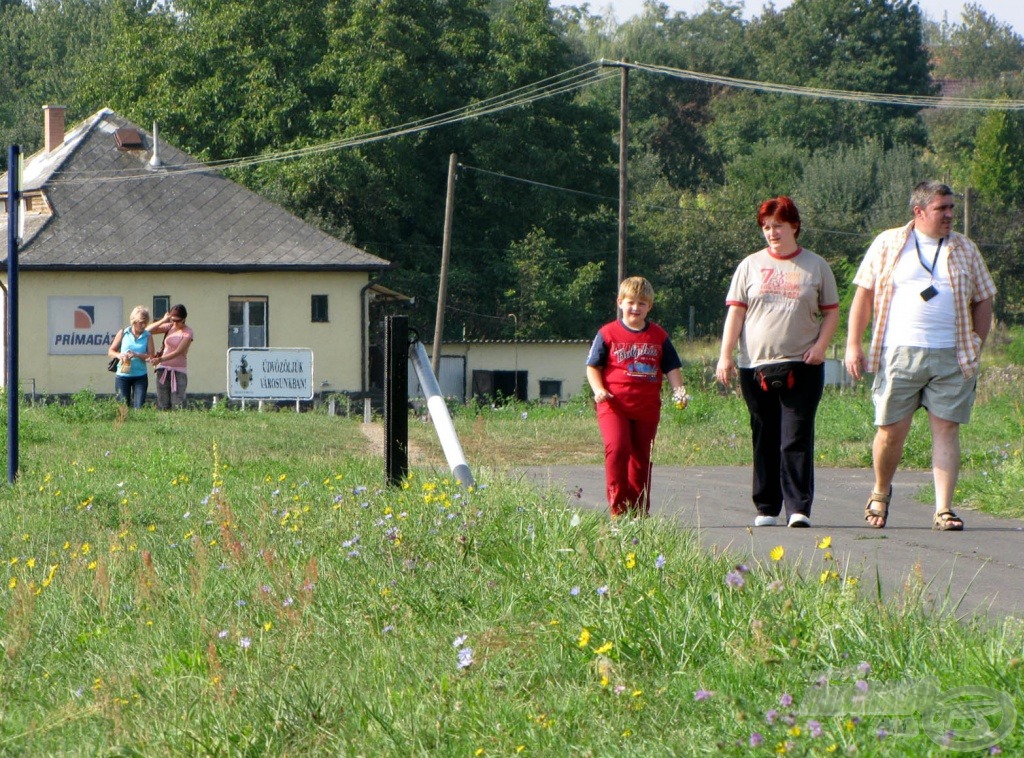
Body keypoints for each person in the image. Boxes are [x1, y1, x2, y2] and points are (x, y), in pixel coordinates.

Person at [844, 181, 996, 531]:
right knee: (890, 431)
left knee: (946, 429)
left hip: (952, 354)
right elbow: (863, 296)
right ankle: (881, 492)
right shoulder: (888, 243)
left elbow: (984, 297)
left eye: (952, 208)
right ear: (919, 211)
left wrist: (977, 341)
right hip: (898, 351)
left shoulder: (964, 248)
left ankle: (944, 509)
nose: (949, 215)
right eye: (942, 208)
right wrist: (854, 344)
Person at [716, 196, 839, 528]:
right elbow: (736, 313)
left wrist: (821, 347)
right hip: (755, 366)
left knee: (795, 437)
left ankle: (798, 507)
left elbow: (831, 313)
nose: (772, 233)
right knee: (764, 435)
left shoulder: (815, 266)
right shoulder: (749, 266)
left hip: (803, 364)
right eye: (766, 227)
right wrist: (725, 355)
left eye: (778, 226)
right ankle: (767, 507)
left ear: (794, 226)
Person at [586, 276, 688, 518]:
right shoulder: (607, 333)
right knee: (618, 448)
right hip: (614, 405)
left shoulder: (658, 336)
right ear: (620, 302)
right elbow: (592, 366)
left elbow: (672, 367)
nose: (635, 308)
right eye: (630, 302)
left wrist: (679, 391)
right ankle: (618, 508)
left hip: (646, 408)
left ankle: (638, 510)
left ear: (649, 307)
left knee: (642, 458)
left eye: (642, 303)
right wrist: (598, 389)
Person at [149, 304, 195, 410]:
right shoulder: (170, 326)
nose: (175, 323)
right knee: (162, 402)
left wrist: (160, 359)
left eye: (178, 321)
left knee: (177, 403)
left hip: (179, 371)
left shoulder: (188, 332)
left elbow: (179, 351)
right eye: (172, 320)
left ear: (184, 319)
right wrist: (164, 320)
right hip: (163, 369)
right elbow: (147, 331)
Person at [109, 305, 155, 408]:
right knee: (123, 408)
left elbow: (151, 356)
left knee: (139, 407)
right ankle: (123, 423)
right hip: (122, 376)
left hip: (140, 376)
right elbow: (111, 351)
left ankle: (138, 424)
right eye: (141, 322)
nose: (143, 325)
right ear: (134, 321)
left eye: (145, 322)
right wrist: (120, 355)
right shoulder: (123, 333)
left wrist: (137, 355)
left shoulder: (148, 336)